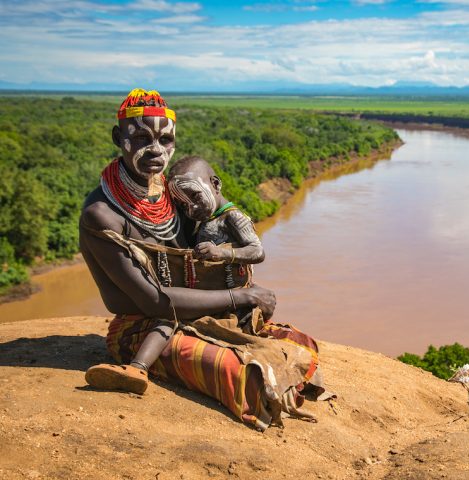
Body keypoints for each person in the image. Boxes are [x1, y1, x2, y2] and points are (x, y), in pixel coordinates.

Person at [80, 89, 322, 430]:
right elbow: (152, 300)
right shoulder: (102, 215)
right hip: (144, 326)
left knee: (300, 345)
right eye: (142, 138)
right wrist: (243, 295)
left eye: (165, 140)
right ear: (120, 138)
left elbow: (215, 217)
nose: (156, 150)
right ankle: (136, 368)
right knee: (242, 376)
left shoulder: (173, 192)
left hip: (198, 312)